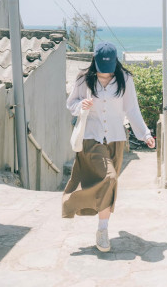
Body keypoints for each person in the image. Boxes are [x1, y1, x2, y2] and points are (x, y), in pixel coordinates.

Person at [62, 41, 155, 252]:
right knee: (109, 177)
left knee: (110, 185)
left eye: (109, 73)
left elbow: (132, 109)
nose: (105, 77)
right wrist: (81, 105)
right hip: (91, 139)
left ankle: (102, 229)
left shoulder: (126, 79)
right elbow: (71, 104)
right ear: (95, 63)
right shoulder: (84, 78)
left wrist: (145, 134)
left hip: (115, 139)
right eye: (102, 73)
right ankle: (81, 209)